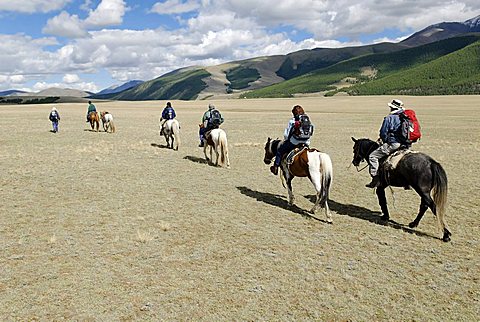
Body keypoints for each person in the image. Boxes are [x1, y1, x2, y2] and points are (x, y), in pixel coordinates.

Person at [366, 98, 406, 188]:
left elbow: (383, 132)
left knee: (372, 156)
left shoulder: (389, 118)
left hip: (393, 144)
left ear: (392, 108)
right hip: (405, 145)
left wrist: (384, 140)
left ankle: (375, 178)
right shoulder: (404, 117)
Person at [270, 105, 314, 175]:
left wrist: (287, 140)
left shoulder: (292, 121)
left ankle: (275, 167)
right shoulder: (307, 119)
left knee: (279, 151)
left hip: (294, 142)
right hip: (306, 142)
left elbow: (286, 135)